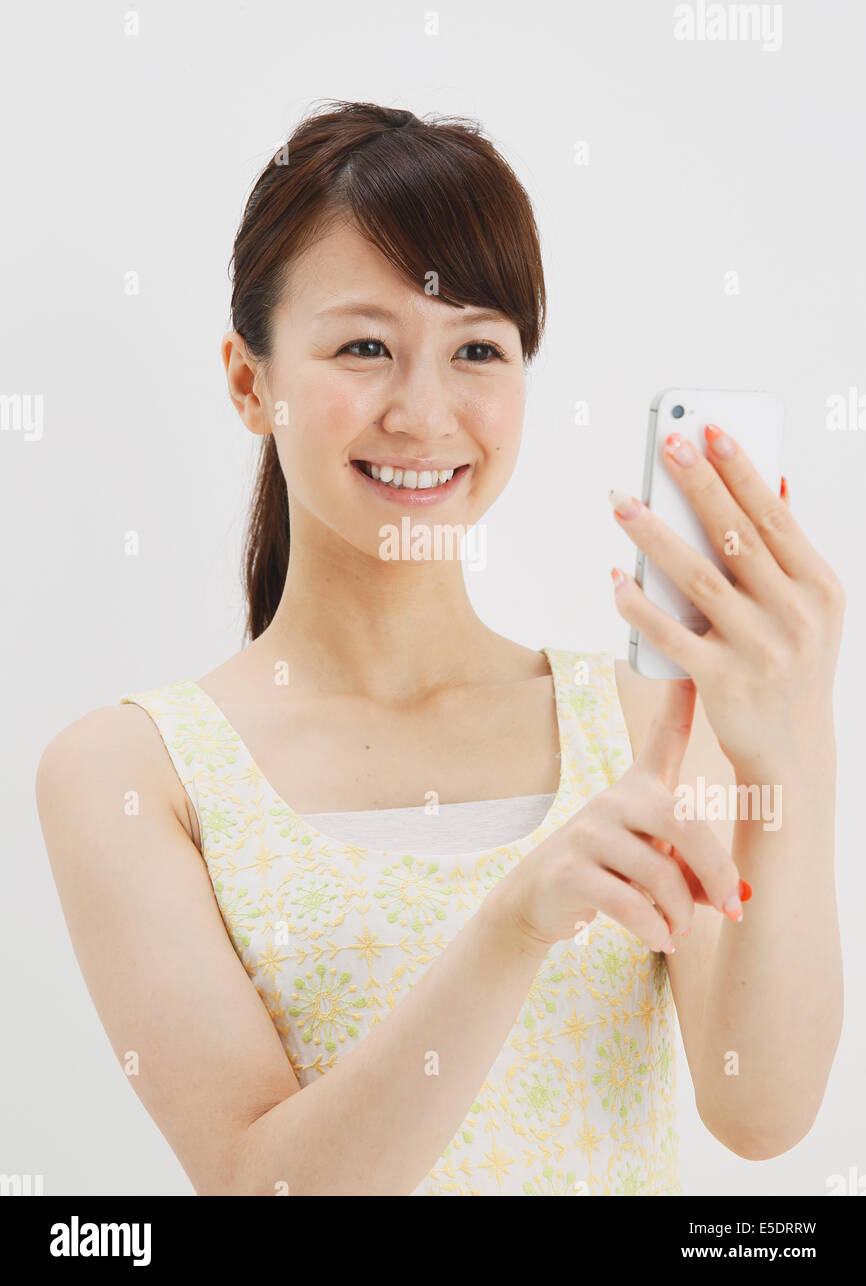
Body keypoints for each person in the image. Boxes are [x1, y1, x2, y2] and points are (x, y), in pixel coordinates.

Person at [36, 100, 844, 1197]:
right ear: (247, 381)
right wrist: (512, 924)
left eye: (476, 349)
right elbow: (254, 1184)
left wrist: (790, 757)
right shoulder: (129, 772)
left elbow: (760, 1111)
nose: (423, 411)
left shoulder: (651, 720)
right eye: (364, 346)